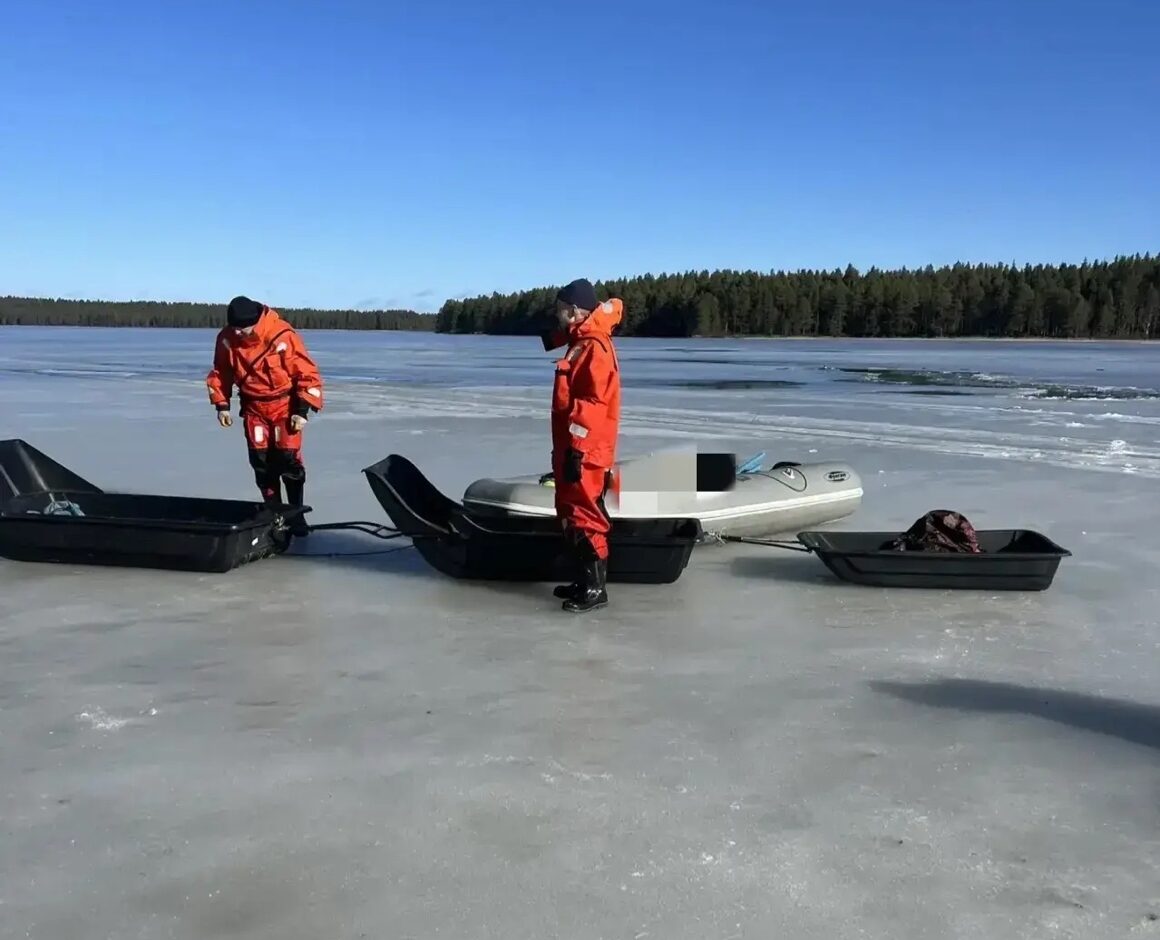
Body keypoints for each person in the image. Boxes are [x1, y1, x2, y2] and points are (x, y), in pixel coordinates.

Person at [205, 296, 324, 536]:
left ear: (255, 322)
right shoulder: (227, 338)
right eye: (234, 328)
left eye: (242, 329)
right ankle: (274, 514)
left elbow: (307, 374)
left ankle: (295, 515)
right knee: (262, 464)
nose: (238, 333)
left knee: (288, 461)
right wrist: (222, 404)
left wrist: (302, 411)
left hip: (284, 407)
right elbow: (221, 372)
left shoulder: (282, 335)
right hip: (254, 408)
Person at [541, 278, 623, 613]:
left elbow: (592, 404)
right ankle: (582, 580)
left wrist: (577, 448)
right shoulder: (580, 341)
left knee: (585, 514)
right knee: (571, 512)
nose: (558, 317)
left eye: (561, 310)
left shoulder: (594, 347)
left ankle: (595, 589)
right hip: (571, 446)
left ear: (575, 311)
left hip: (585, 449)